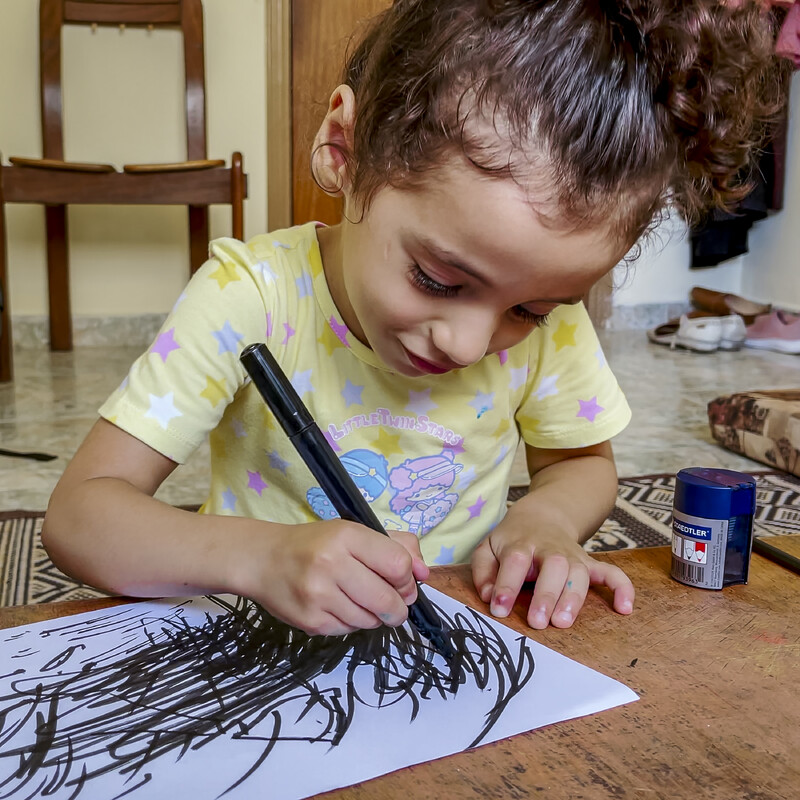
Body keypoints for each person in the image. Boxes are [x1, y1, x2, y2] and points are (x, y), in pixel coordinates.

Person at [42, 0, 781, 637]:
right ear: (345, 150)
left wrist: (547, 522)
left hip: (443, 638)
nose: (467, 343)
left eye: (527, 308)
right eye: (437, 278)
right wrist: (257, 558)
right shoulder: (250, 297)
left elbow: (581, 465)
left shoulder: (550, 325)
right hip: (258, 641)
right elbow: (81, 518)